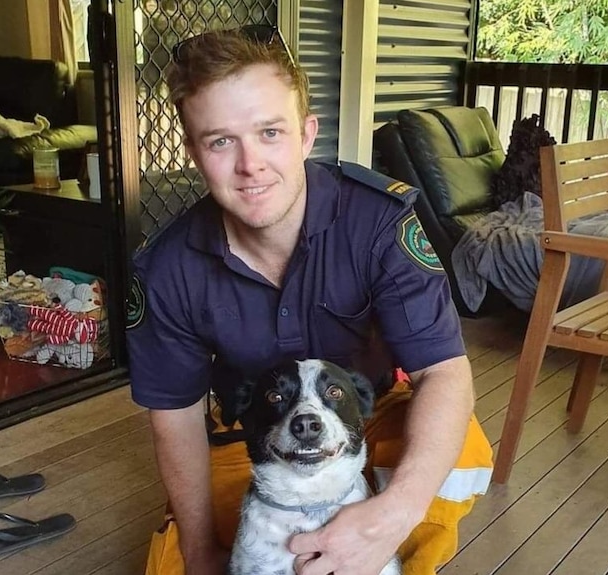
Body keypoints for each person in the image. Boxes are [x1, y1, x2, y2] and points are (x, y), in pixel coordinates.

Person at [127, 25, 493, 575]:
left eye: (270, 132)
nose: (250, 164)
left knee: (459, 451)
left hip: (371, 416)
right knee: (172, 566)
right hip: (255, 430)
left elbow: (444, 371)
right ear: (194, 154)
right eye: (221, 140)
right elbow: (176, 418)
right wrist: (201, 552)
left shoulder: (377, 222)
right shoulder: (167, 268)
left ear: (305, 135)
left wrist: (390, 515)